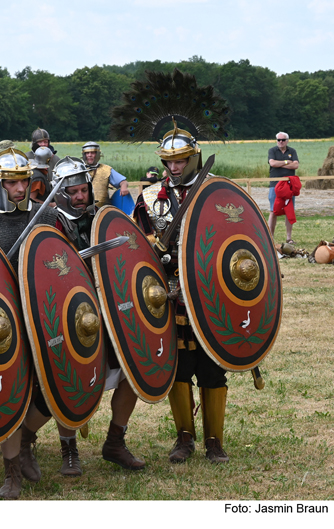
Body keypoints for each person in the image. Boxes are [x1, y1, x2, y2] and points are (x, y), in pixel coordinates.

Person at [26, 156, 145, 478]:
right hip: (66, 314)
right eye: (74, 192)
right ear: (60, 193)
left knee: (131, 371)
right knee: (70, 380)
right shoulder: (45, 224)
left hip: (107, 310)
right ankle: (67, 449)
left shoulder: (99, 220)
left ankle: (115, 441)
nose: (81, 196)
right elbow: (40, 271)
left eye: (84, 190)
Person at [133, 125, 231, 464]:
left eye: (181, 161)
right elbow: (137, 244)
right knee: (177, 367)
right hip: (168, 294)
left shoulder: (215, 191)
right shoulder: (148, 197)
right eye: (168, 162)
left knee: (212, 367)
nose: (174, 168)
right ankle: (184, 438)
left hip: (209, 293)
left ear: (194, 158)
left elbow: (236, 238)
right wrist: (149, 246)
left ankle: (215, 441)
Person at [0, 148, 59, 499]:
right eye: (13, 182)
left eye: (24, 181)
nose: (20, 189)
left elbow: (58, 266)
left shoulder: (45, 218)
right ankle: (12, 471)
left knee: (51, 393)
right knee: (7, 394)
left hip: (41, 318)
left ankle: (27, 439)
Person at [268, 132, 299, 244]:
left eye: (283, 140)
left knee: (289, 210)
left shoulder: (292, 151)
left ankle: (289, 238)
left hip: (288, 185)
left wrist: (279, 164)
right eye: (278, 140)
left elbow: (295, 165)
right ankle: (270, 237)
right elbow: (272, 163)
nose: (281, 142)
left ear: (287, 140)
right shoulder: (272, 151)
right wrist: (286, 162)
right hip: (275, 184)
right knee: (273, 211)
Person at [81, 142, 129, 207]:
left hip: (102, 210)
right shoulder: (78, 170)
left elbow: (123, 182)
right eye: (87, 153)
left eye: (93, 153)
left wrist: (124, 188)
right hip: (82, 209)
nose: (90, 155)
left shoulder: (106, 170)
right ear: (84, 155)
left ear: (97, 154)